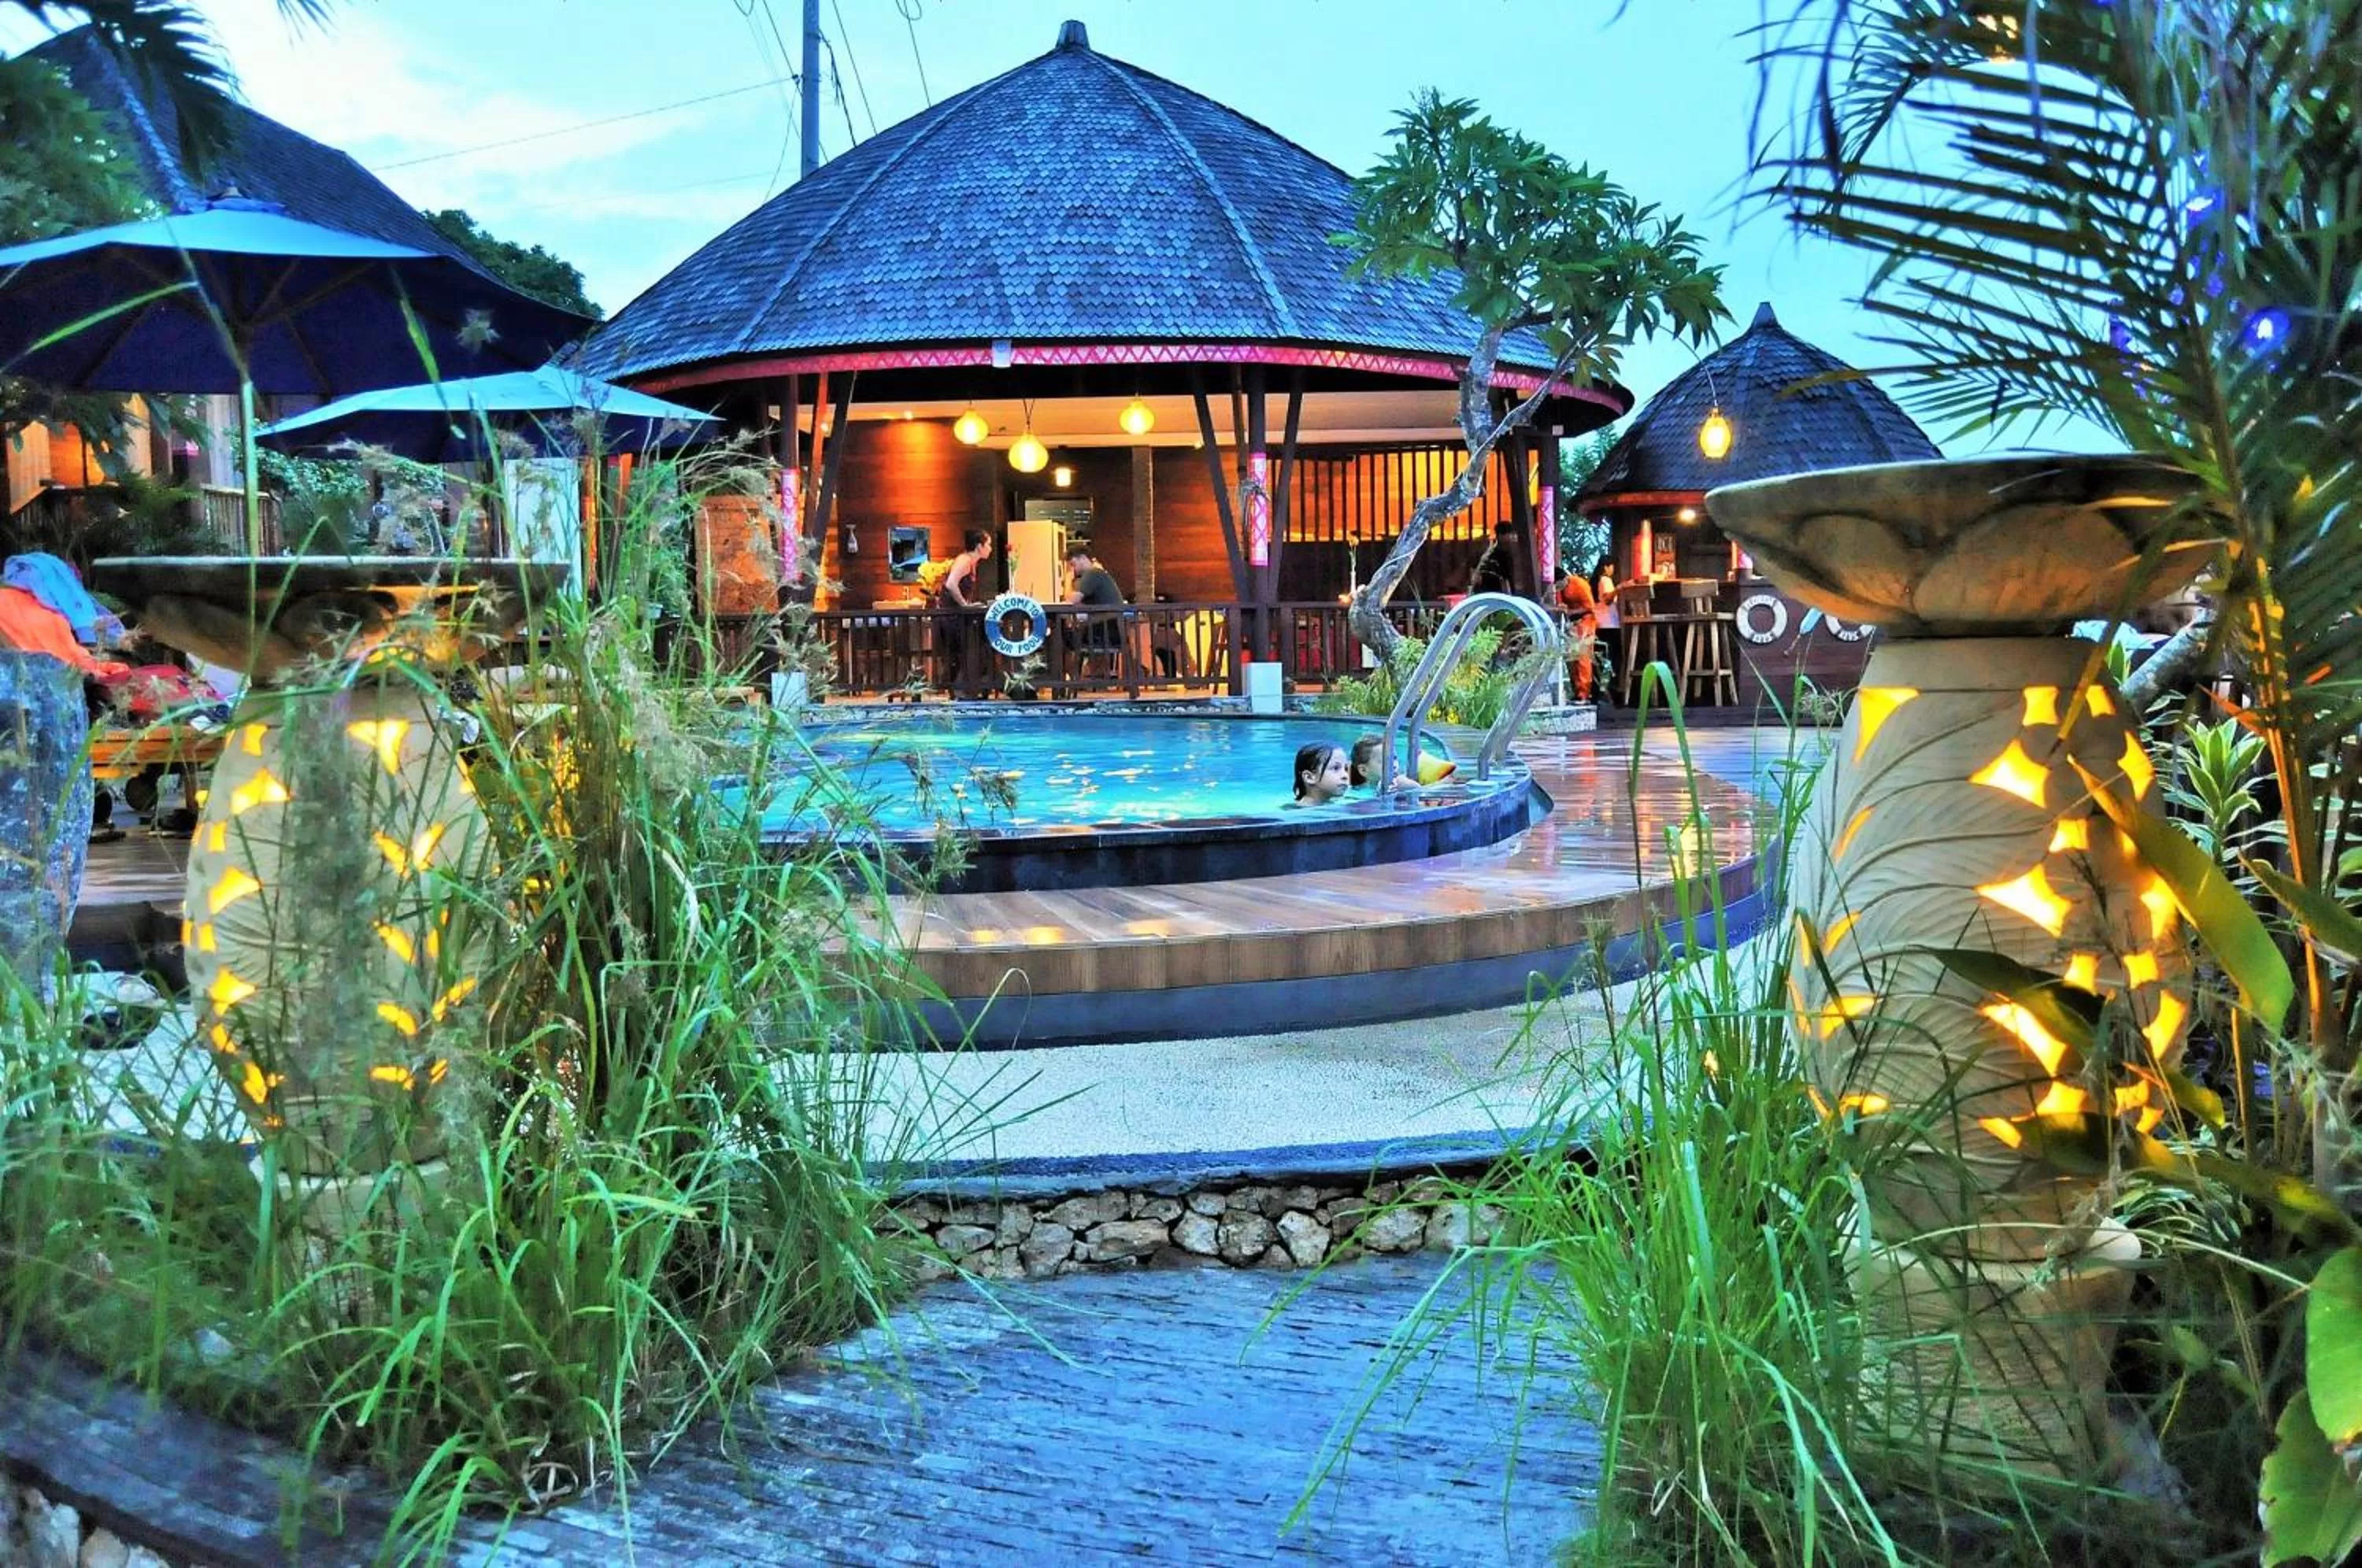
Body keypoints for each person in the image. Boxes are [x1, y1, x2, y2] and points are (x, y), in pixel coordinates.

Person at [935, 529, 994, 695]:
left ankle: (968, 688)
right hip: (951, 617)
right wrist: (964, 605)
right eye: (988, 544)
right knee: (967, 650)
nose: (991, 548)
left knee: (971, 648)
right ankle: (963, 690)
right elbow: (951, 584)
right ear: (979, 546)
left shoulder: (971, 562)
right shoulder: (965, 561)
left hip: (955, 615)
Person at [1557, 568, 1598, 701]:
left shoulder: (1580, 584)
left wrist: (1570, 612)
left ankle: (1584, 693)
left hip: (1586, 621)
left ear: (1565, 579)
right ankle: (1575, 690)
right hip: (1573, 625)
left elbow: (1590, 607)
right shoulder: (1561, 589)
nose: (1557, 588)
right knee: (1572, 658)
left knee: (1583, 658)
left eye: (1558, 585)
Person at [1291, 741, 1351, 806]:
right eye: (1335, 768)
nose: (1345, 776)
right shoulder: (1298, 813)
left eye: (1346, 769)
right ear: (1309, 777)